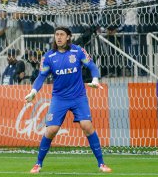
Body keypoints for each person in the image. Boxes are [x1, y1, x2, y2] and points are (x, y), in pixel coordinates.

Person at [25, 26, 112, 174]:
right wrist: (33, 91)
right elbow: (41, 76)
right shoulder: (49, 57)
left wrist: (96, 79)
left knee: (87, 126)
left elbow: (91, 66)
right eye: (56, 34)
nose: (58, 37)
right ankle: (38, 164)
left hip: (78, 97)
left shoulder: (78, 51)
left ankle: (101, 164)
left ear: (68, 37)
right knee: (51, 130)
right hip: (59, 98)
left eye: (62, 35)